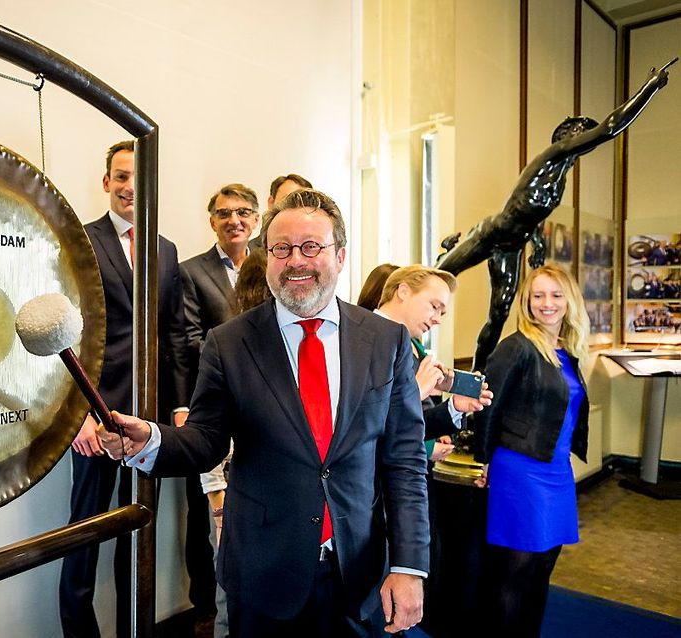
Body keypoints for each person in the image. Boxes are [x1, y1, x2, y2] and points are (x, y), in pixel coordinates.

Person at [99, 189, 430, 637]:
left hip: (359, 575)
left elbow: (404, 462)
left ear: (341, 256)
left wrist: (409, 565)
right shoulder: (230, 343)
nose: (296, 260)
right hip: (264, 574)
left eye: (312, 246)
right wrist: (153, 440)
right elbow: (205, 438)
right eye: (281, 248)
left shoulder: (384, 341)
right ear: (267, 256)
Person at [436, 58, 673, 370]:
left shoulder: (558, 176)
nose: (586, 138)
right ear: (567, 134)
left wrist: (537, 241)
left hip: (512, 246)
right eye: (581, 131)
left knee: (499, 314)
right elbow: (611, 128)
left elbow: (527, 208)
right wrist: (650, 87)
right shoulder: (553, 155)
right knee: (435, 279)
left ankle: (478, 375)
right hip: (490, 233)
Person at [59, 141, 191, 638]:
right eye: (120, 177)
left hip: (148, 421)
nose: (129, 186)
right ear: (106, 183)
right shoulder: (80, 241)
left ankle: (133, 630)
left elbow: (174, 336)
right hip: (96, 415)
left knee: (136, 536)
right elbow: (59, 336)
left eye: (138, 177)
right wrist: (78, 417)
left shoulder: (166, 249)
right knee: (84, 535)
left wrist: (178, 407)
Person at [373, 265, 493, 637]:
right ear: (404, 291)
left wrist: (454, 409)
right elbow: (362, 423)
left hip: (408, 487)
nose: (439, 319)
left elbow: (411, 423)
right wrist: (416, 393)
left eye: (443, 311)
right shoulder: (363, 339)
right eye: (435, 306)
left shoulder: (407, 346)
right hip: (372, 495)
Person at [474, 264, 590, 638]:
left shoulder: (566, 351)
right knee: (518, 569)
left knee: (543, 567)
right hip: (520, 470)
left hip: (556, 470)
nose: (547, 303)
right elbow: (488, 406)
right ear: (527, 302)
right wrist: (484, 461)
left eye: (556, 295)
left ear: (569, 300)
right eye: (538, 295)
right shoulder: (517, 347)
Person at [179, 183, 264, 623]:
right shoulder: (191, 271)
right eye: (225, 212)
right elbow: (186, 341)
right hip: (210, 399)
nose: (235, 220)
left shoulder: (274, 265)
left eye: (244, 212)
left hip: (262, 403)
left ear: (257, 219)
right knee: (207, 510)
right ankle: (206, 610)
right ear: (212, 220)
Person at [250, 174, 312, 248]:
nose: (295, 207)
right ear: (271, 202)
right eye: (287, 200)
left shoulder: (319, 248)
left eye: (301, 202)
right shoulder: (250, 251)